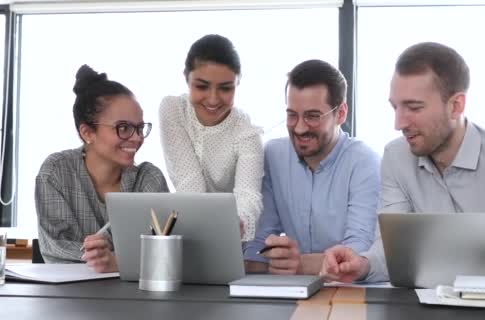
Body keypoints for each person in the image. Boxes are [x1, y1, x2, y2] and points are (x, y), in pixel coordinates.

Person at [320, 42, 485, 283]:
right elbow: (391, 252)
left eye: (414, 107)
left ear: (456, 105)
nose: (399, 123)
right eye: (395, 107)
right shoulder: (396, 158)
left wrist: (459, 257)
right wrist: (363, 264)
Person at [243, 59, 381, 275]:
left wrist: (299, 264)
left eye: (312, 116)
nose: (299, 128)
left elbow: (357, 253)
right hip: (290, 290)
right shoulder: (273, 155)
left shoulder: (365, 162)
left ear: (341, 113)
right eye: (292, 115)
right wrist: (265, 258)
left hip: (346, 292)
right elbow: (257, 246)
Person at [35, 65, 169, 272]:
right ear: (87, 132)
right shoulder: (56, 172)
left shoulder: (149, 178)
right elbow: (55, 249)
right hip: (70, 297)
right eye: (123, 128)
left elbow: (163, 253)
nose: (137, 138)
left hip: (136, 298)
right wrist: (114, 258)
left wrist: (116, 262)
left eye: (140, 128)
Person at [159, 34, 263, 241]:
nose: (213, 99)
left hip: (231, 235)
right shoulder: (173, 110)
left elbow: (248, 194)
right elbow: (190, 184)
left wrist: (239, 219)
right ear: (186, 78)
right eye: (201, 86)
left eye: (225, 88)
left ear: (238, 82)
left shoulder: (247, 132)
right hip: (192, 226)